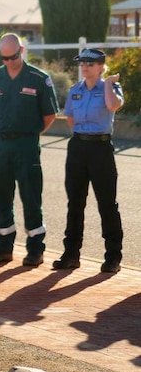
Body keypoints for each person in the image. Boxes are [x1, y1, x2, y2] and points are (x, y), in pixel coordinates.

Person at [0, 33, 59, 267]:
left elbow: (50, 115)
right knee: (2, 196)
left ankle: (36, 249)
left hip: (26, 144)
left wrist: (29, 134)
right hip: (1, 144)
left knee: (31, 197)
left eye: (12, 57)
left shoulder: (38, 78)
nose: (8, 62)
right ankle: (3, 247)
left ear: (22, 51)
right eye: (3, 58)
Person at [53, 48, 124, 274]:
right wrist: (82, 138)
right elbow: (71, 119)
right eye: (82, 63)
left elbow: (113, 106)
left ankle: (113, 257)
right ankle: (71, 254)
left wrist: (108, 84)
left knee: (107, 204)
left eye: (90, 64)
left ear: (101, 66)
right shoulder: (75, 90)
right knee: (75, 202)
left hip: (101, 148)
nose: (85, 67)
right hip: (78, 147)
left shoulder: (110, 88)